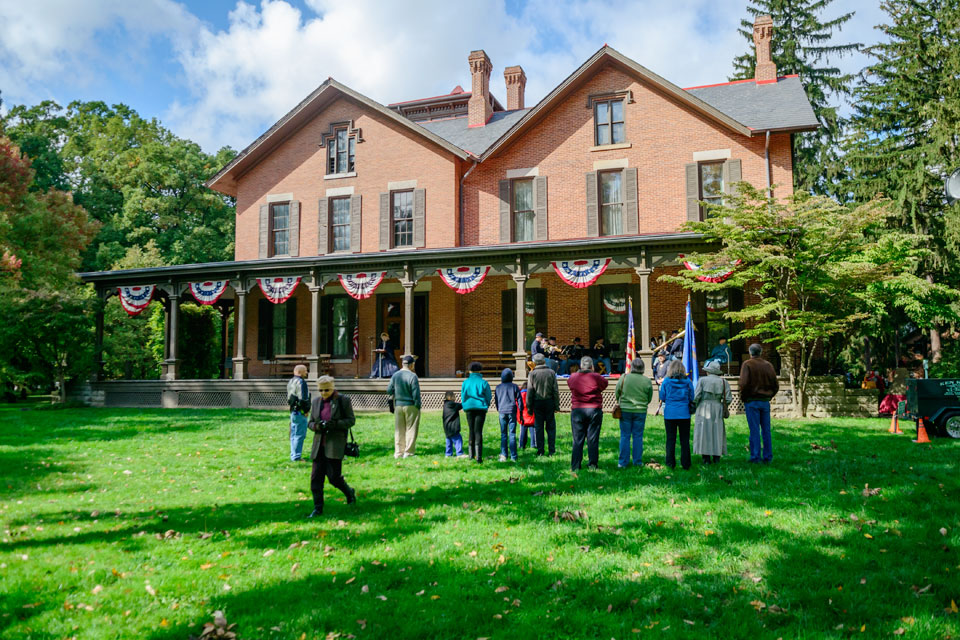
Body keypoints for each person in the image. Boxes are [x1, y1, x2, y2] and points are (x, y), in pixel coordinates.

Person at [306, 376, 357, 518]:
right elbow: (310, 422)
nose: (323, 393)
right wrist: (317, 426)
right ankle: (317, 508)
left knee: (334, 477)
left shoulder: (343, 400)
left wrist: (335, 424)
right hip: (319, 445)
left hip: (335, 444)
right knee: (316, 479)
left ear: (333, 387)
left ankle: (349, 492)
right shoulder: (316, 402)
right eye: (321, 390)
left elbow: (350, 420)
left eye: (327, 390)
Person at [739, 343, 779, 464]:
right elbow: (775, 385)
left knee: (754, 430)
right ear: (760, 352)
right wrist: (769, 395)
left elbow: (743, 384)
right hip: (764, 401)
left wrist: (744, 397)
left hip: (752, 401)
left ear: (750, 353)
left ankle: (755, 456)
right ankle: (767, 457)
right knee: (766, 430)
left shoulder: (747, 364)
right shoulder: (768, 365)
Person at [567, 356, 608, 472]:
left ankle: (575, 465)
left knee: (577, 439)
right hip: (594, 409)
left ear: (581, 365)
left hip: (578, 410)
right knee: (593, 438)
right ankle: (593, 464)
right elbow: (605, 384)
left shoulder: (573, 377)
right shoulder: (596, 377)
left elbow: (570, 385)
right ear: (592, 366)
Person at [614, 358, 653, 468]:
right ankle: (637, 461)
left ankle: (623, 462)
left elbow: (617, 392)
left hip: (625, 409)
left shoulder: (624, 377)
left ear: (631, 367)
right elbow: (649, 397)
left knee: (625, 436)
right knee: (638, 436)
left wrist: (620, 402)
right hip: (640, 410)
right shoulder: (647, 380)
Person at [693, 360, 732, 464]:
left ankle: (705, 457)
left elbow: (696, 396)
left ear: (708, 371)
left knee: (704, 431)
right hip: (718, 407)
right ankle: (716, 457)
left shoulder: (702, 380)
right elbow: (728, 399)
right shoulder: (724, 382)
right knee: (717, 432)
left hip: (703, 407)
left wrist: (695, 405)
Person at [659, 360, 694, 470]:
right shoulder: (687, 381)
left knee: (670, 439)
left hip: (670, 414)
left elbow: (662, 396)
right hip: (684, 413)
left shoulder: (666, 382)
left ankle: (670, 463)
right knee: (685, 440)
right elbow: (692, 397)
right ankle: (686, 463)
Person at [386, 355, 422, 459]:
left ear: (402, 364)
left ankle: (398, 453)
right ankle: (408, 453)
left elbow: (389, 390)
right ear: (412, 365)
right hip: (411, 405)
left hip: (398, 405)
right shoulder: (413, 376)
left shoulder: (395, 375)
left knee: (399, 430)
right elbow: (416, 393)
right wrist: (418, 406)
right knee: (411, 429)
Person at [526, 353, 560, 456]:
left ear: (534, 363)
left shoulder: (532, 374)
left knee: (539, 427)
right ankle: (551, 450)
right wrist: (557, 405)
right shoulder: (551, 372)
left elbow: (530, 391)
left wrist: (529, 407)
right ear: (544, 361)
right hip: (549, 401)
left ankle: (540, 450)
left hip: (537, 402)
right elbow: (555, 390)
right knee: (551, 428)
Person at [461, 361, 492, 463]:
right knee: (478, 431)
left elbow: (463, 396)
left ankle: (471, 455)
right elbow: (488, 396)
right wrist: (485, 404)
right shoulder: (484, 382)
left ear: (470, 371)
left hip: (469, 408)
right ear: (480, 370)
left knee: (471, 430)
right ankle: (478, 456)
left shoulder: (465, 382)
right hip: (480, 408)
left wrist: (465, 405)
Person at [494, 368, 521, 462]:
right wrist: (520, 410)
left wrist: (499, 409)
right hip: (512, 411)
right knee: (512, 434)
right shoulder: (515, 386)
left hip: (502, 411)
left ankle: (504, 455)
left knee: (503, 434)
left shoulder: (498, 387)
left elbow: (496, 400)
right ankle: (514, 456)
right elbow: (520, 400)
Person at [286, 364, 311, 462]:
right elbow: (303, 398)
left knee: (293, 434)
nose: (307, 372)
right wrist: (306, 410)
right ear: (300, 372)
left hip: (293, 411)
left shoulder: (291, 381)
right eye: (305, 371)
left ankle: (293, 455)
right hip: (300, 411)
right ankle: (296, 457)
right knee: (300, 434)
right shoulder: (301, 382)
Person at [442, 391, 466, 457]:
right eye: (454, 396)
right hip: (453, 427)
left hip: (447, 427)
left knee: (448, 440)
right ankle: (459, 453)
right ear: (451, 397)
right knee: (458, 439)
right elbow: (461, 405)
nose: (455, 397)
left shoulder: (445, 405)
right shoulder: (452, 405)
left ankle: (448, 454)